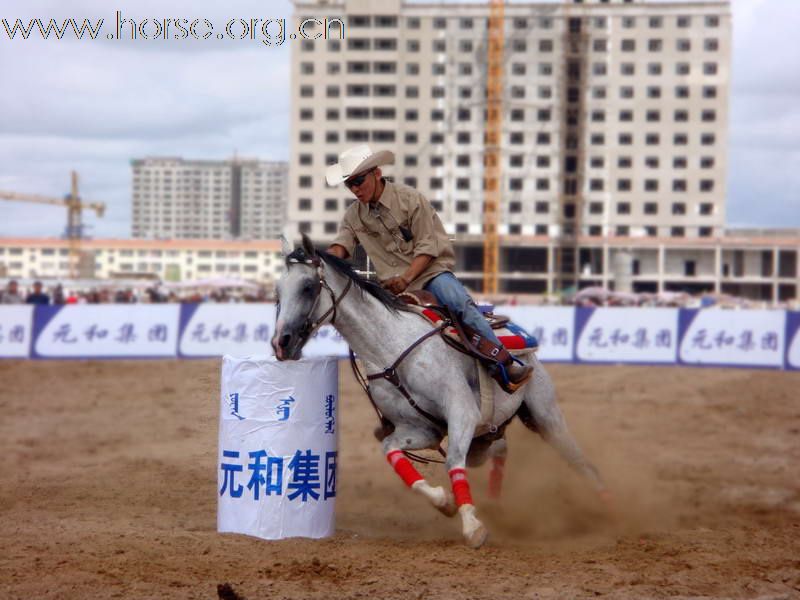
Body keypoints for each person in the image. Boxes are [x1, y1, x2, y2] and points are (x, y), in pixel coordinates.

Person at [325, 144, 532, 393]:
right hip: (390, 285)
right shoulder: (353, 215)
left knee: (459, 303)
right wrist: (318, 260)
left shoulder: (410, 199)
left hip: (429, 275)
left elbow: (427, 247)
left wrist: (406, 278)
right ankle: (391, 398)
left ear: (377, 173)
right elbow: (341, 247)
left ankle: (504, 363)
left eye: (358, 180)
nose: (355, 189)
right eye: (350, 184)